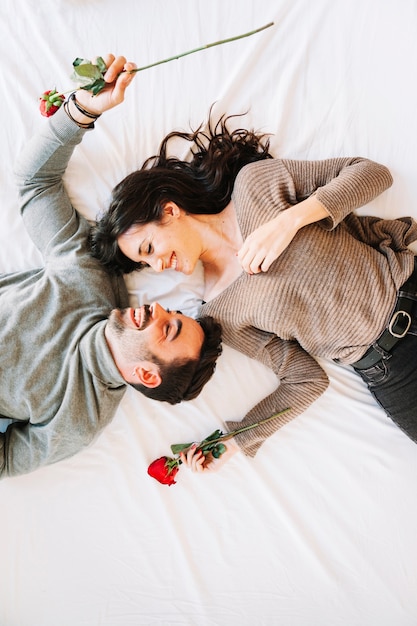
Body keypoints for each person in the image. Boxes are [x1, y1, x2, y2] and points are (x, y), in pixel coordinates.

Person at [89, 112, 417, 473]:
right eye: (145, 265)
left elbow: (372, 174)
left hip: (408, 290)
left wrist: (289, 221)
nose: (156, 267)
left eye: (148, 249)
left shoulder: (255, 185)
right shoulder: (220, 313)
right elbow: (305, 380)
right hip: (390, 374)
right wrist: (236, 440)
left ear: (169, 210)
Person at [0, 55, 222, 479]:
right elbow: (34, 182)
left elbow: (7, 458)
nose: (157, 310)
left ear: (146, 375)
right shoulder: (91, 276)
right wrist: (82, 110)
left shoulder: (79, 423)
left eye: (167, 329)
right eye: (171, 314)